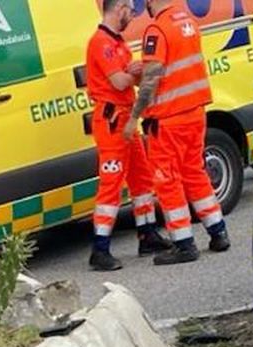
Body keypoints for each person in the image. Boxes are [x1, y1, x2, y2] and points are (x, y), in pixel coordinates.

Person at [127, 0, 230, 264]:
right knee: (194, 172)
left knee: (167, 180)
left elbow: (153, 79)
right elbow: (177, 68)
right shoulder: (187, 22)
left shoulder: (157, 29)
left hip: (168, 119)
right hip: (195, 113)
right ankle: (218, 231)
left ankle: (184, 244)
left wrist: (135, 115)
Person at [84, 0, 167, 271]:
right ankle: (100, 249)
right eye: (131, 10)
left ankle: (147, 233)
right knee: (111, 185)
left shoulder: (116, 42)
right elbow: (119, 81)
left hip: (125, 117)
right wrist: (133, 74)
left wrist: (134, 72)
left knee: (142, 178)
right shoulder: (101, 42)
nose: (132, 16)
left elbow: (130, 75)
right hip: (111, 122)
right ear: (118, 7)